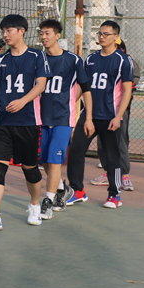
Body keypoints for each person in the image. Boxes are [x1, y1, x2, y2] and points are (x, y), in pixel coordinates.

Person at [0, 14, 51, 232]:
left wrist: (23, 101)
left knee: (30, 170)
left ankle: (34, 205)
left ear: (22, 31)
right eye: (3, 30)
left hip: (28, 122)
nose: (5, 34)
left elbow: (41, 84)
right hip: (3, 123)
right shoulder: (0, 60)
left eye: (9, 30)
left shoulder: (37, 56)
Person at [66, 20, 133, 209]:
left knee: (112, 157)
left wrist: (118, 117)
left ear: (116, 37)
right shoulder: (91, 59)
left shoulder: (123, 60)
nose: (102, 37)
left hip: (110, 117)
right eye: (100, 34)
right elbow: (83, 86)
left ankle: (114, 195)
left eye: (106, 34)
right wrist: (70, 103)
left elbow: (127, 91)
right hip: (89, 116)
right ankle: (77, 191)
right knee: (76, 151)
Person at [37, 19, 91, 219]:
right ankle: (62, 189)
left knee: (54, 160)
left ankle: (48, 202)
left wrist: (88, 117)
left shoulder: (73, 60)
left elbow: (86, 88)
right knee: (44, 161)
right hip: (42, 118)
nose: (43, 36)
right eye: (41, 33)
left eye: (48, 33)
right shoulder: (39, 59)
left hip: (63, 118)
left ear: (58, 36)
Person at [91, 39, 135, 191]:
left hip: (119, 111)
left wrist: (121, 112)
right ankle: (107, 173)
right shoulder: (98, 60)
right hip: (101, 110)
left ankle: (125, 176)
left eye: (118, 47)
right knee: (102, 144)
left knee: (120, 142)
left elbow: (129, 88)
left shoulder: (126, 62)